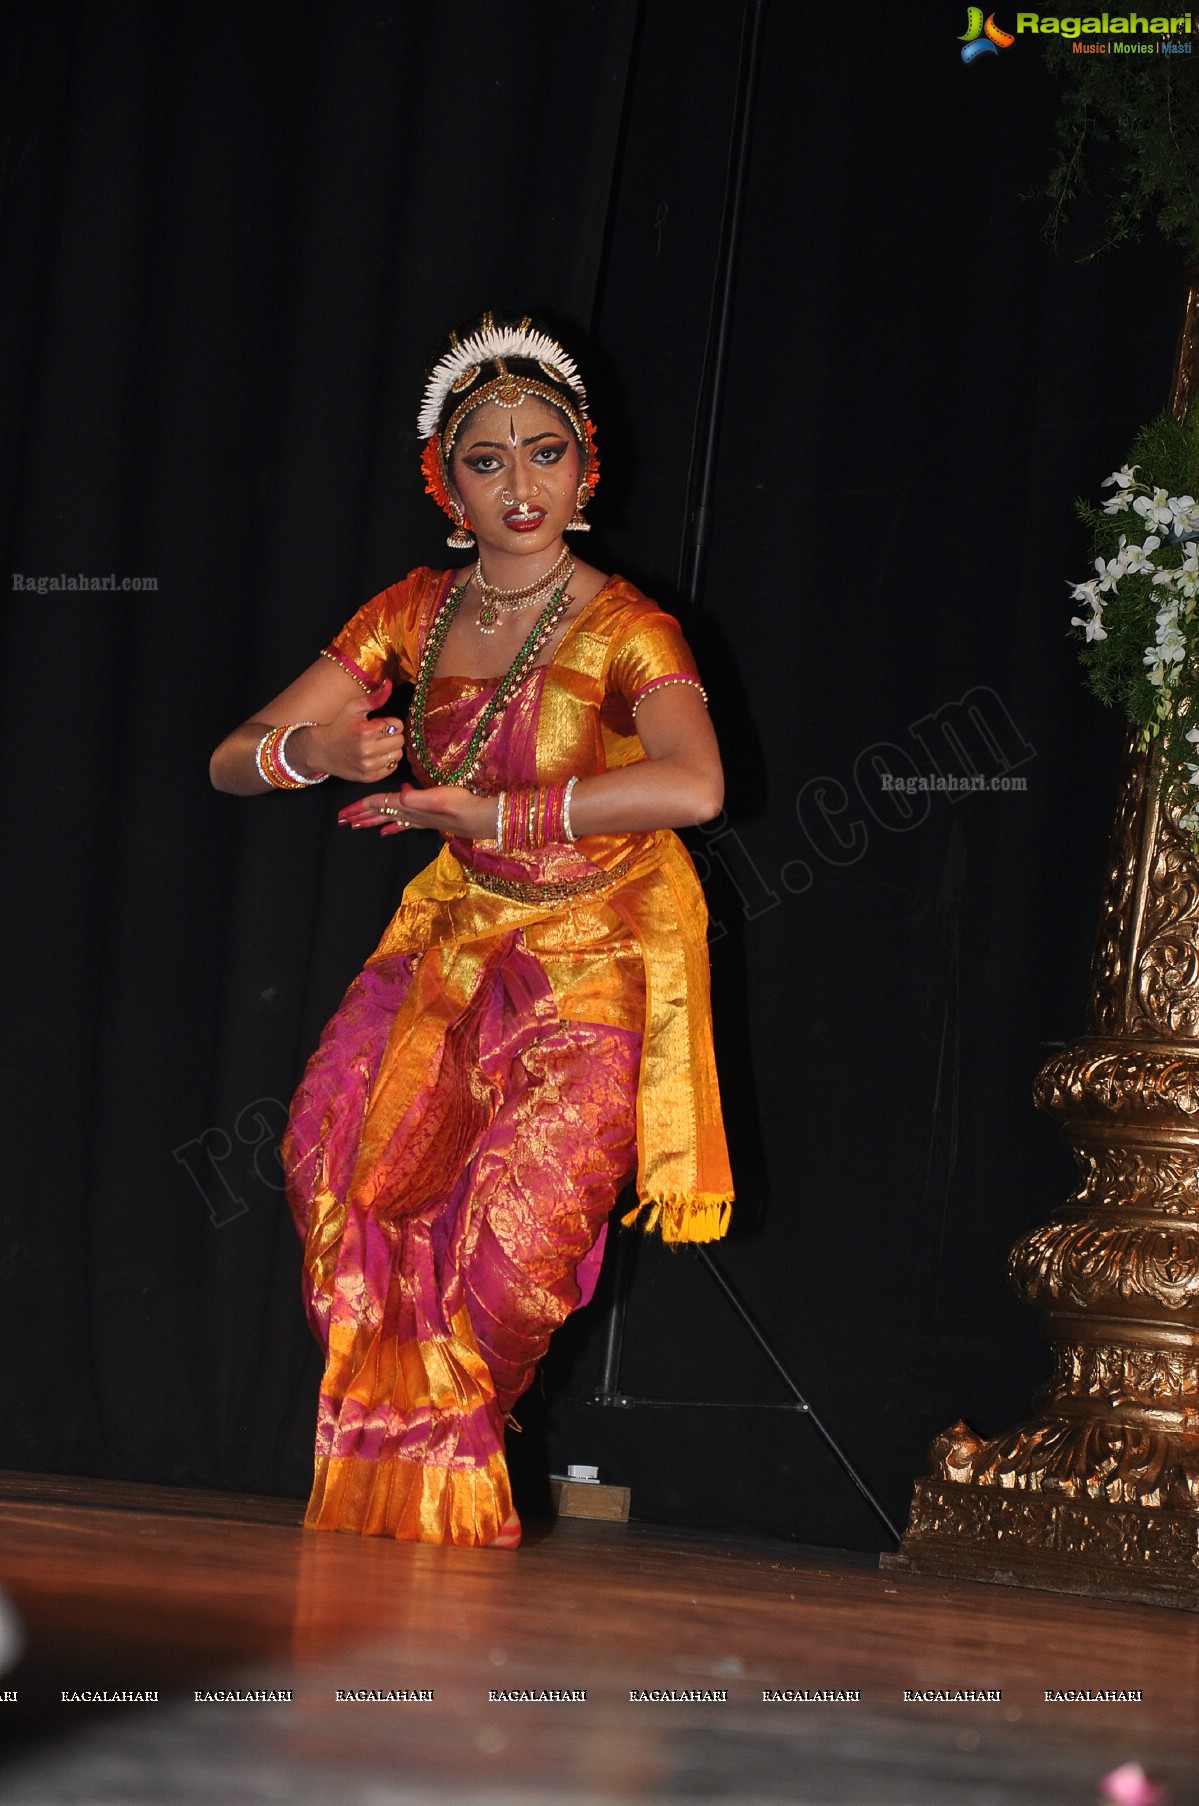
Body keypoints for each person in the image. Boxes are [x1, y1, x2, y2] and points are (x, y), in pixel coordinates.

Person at [210, 315, 733, 1547]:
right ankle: (399, 1487)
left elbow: (694, 785)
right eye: (486, 460)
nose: (519, 484)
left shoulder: (628, 629)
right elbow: (231, 760)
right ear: (445, 482)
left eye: (543, 453)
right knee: (329, 1159)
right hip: (453, 936)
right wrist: (315, 752)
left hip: (601, 952)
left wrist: (503, 808)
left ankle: (443, 1477)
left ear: (584, 469)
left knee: (513, 1252)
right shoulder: (411, 611)